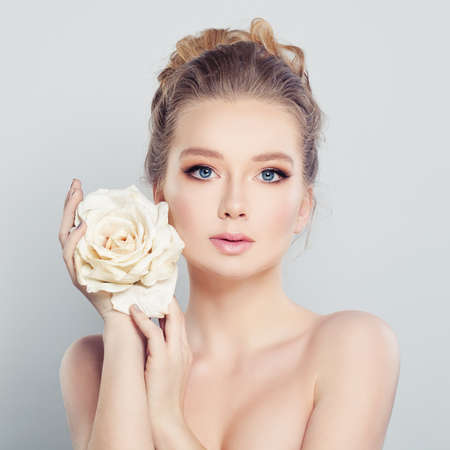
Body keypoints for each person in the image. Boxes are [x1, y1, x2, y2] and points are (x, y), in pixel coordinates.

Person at [58, 17, 400, 450]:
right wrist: (121, 324)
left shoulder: (353, 348)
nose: (234, 204)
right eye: (204, 171)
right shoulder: (93, 363)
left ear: (303, 207)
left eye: (269, 174)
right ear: (160, 196)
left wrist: (166, 419)